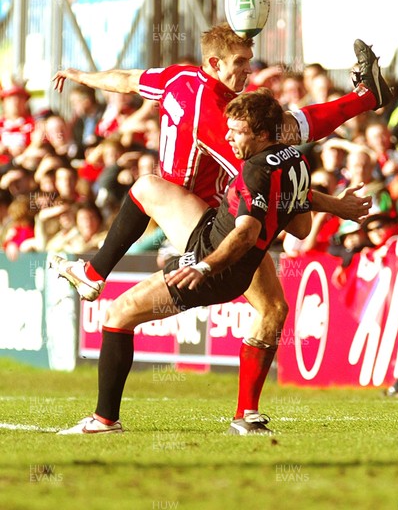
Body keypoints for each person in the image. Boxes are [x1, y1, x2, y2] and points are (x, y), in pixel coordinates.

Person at [51, 27, 390, 431]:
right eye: (241, 63)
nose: (249, 70)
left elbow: (124, 79)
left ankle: (94, 284)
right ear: (215, 64)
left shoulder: (177, 78)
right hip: (199, 217)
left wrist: (81, 76)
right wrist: (357, 109)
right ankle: (94, 276)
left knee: (266, 307)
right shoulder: (221, 117)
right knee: (151, 188)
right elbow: (291, 146)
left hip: (211, 234)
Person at [51, 89, 313, 434]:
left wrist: (205, 266)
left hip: (213, 259)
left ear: (262, 134)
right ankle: (246, 415)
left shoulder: (254, 170)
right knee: (147, 187)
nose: (228, 137)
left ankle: (104, 420)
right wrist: (337, 206)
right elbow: (301, 226)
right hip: (211, 232)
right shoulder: (295, 159)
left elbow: (246, 233)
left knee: (117, 315)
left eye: (236, 132)